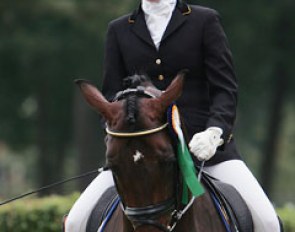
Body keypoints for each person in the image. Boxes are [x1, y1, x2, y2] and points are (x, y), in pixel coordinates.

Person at [65, 0, 282, 231]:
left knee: (268, 223)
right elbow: (110, 99)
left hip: (205, 152)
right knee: (76, 222)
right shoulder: (119, 29)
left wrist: (215, 131)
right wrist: (120, 144)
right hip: (139, 159)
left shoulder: (204, 21)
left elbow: (225, 89)